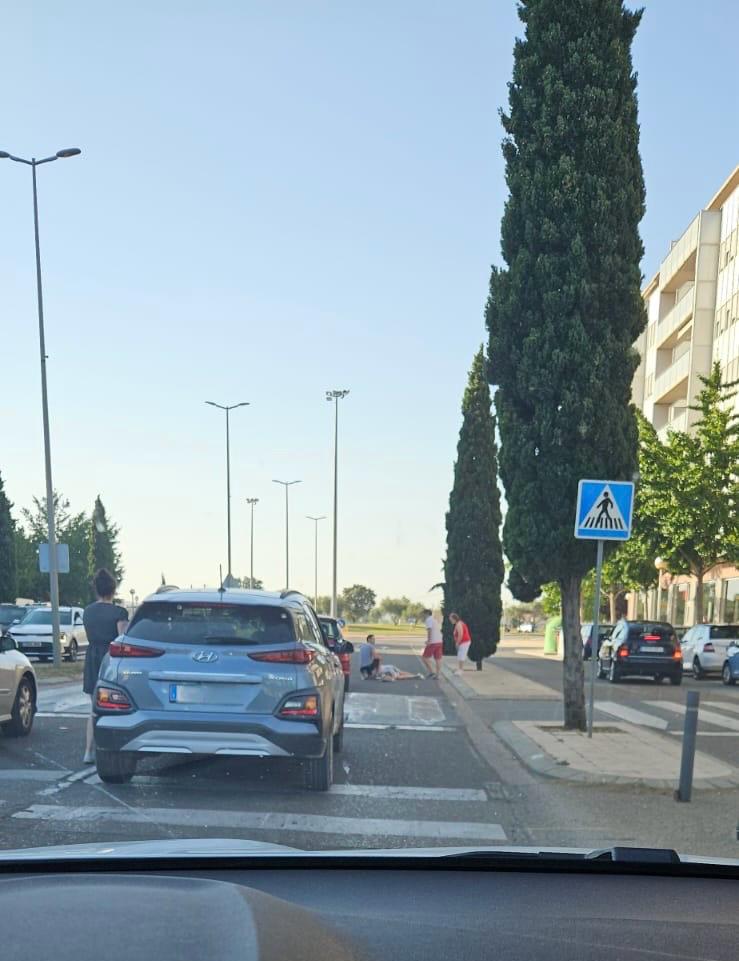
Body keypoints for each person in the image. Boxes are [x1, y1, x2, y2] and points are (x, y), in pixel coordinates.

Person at [82, 569, 129, 764]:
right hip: (110, 658)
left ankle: (88, 751)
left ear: (97, 589)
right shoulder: (120, 612)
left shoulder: (87, 611)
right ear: (113, 589)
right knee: (114, 706)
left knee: (94, 707)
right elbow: (121, 639)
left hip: (91, 657)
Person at [421, 608, 443, 678]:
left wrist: (429, 641)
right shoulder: (434, 620)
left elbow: (429, 630)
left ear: (427, 614)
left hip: (433, 642)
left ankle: (431, 672)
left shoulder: (428, 620)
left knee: (424, 658)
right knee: (438, 659)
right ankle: (437, 675)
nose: (423, 616)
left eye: (423, 614)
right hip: (439, 641)